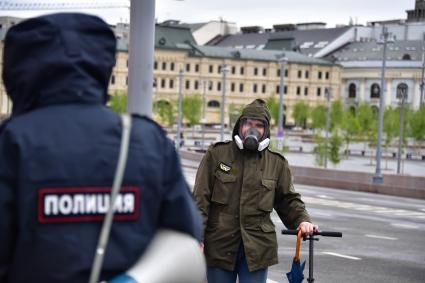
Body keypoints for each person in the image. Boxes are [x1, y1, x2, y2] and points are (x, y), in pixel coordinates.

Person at [0, 13, 202, 283]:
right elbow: (185, 236)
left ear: (17, 69)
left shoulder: (10, 142)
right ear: (102, 66)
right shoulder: (146, 140)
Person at [193, 99, 318, 283]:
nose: (252, 129)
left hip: (257, 249)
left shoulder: (277, 164)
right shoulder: (217, 154)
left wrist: (303, 221)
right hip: (219, 245)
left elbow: (289, 200)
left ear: (265, 130)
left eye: (259, 125)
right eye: (248, 123)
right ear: (240, 125)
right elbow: (200, 199)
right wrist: (196, 237)